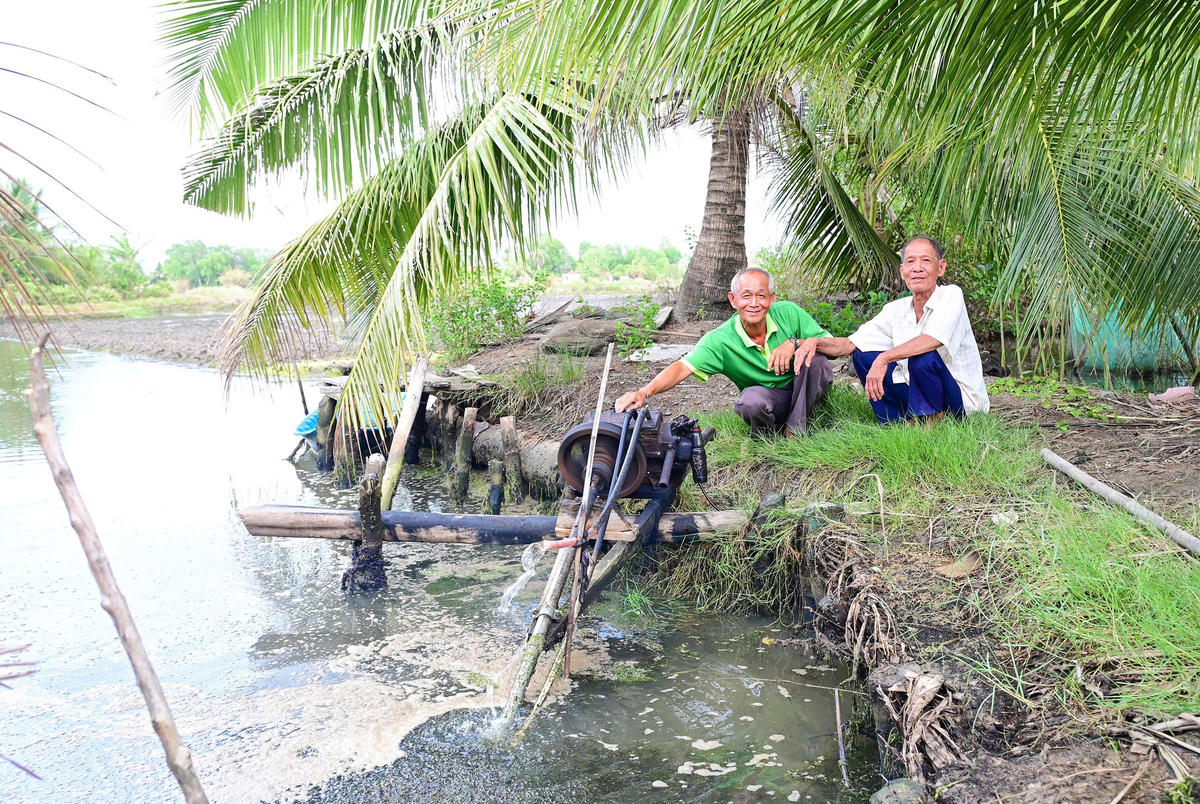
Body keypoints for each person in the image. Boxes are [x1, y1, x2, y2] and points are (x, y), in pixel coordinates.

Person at [614, 268, 833, 436]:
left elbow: (832, 345)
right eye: (746, 295)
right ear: (733, 300)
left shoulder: (789, 312)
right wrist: (644, 392)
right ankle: (765, 434)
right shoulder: (720, 339)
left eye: (761, 295)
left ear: (772, 298)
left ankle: (795, 432)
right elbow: (683, 367)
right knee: (750, 401)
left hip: (803, 388)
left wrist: (796, 342)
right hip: (770, 400)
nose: (754, 303)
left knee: (817, 360)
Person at [795, 236, 989, 423]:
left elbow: (932, 340)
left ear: (941, 268)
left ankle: (934, 423)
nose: (917, 268)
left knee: (923, 356)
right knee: (862, 356)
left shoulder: (951, 295)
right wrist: (806, 342)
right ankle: (900, 421)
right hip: (919, 390)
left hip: (960, 401)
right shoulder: (896, 309)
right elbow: (847, 345)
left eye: (926, 260)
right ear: (903, 270)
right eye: (910, 261)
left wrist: (884, 358)